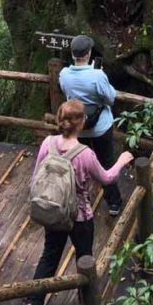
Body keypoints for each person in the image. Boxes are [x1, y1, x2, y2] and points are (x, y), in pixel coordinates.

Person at [25, 100, 133, 305]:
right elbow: (107, 178)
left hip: (54, 210)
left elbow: (34, 178)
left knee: (50, 255)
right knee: (84, 258)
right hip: (80, 217)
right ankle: (88, 303)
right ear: (82, 122)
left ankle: (33, 302)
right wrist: (121, 160)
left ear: (59, 119)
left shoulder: (47, 143)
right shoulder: (85, 154)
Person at [59, 34, 122, 215]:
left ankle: (82, 199)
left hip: (78, 127)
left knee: (80, 163)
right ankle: (113, 203)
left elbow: (67, 95)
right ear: (88, 54)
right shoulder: (97, 75)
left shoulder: (64, 75)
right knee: (106, 162)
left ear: (72, 54)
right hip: (100, 127)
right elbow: (110, 98)